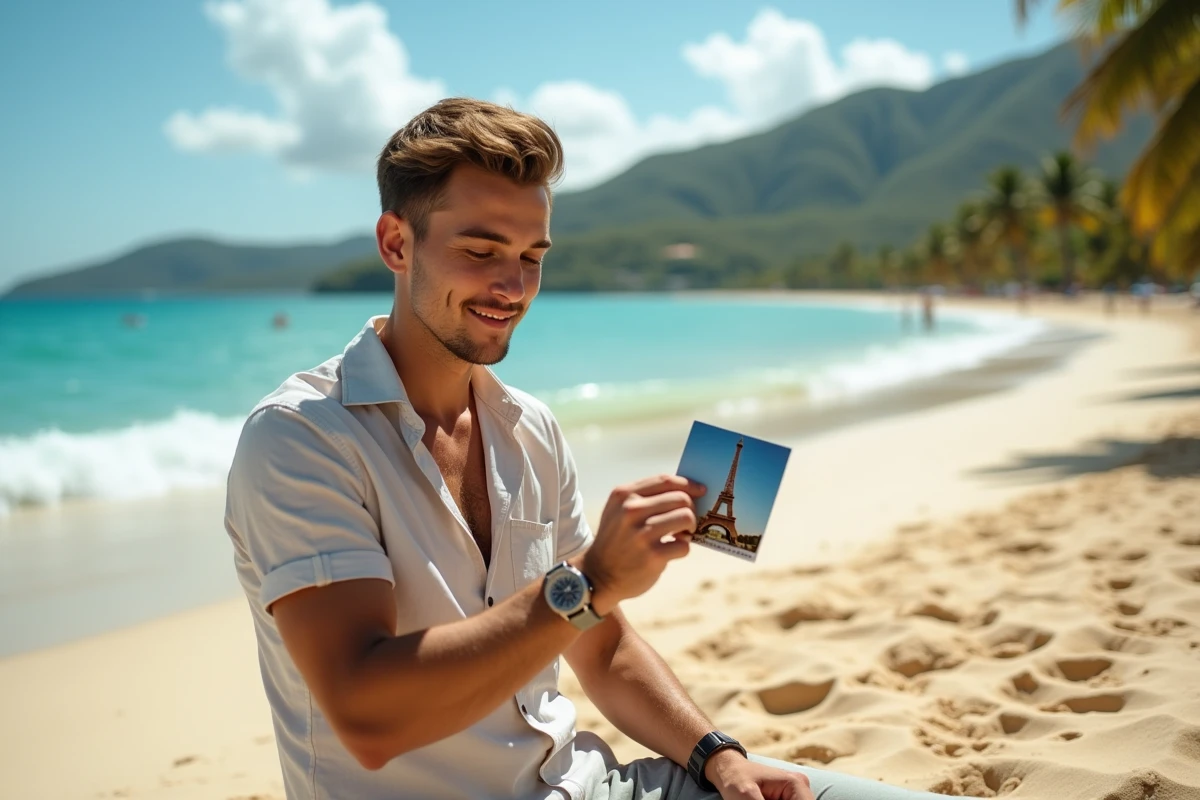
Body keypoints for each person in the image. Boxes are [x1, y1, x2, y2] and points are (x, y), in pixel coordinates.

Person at [224, 98, 974, 800]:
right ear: (396, 242)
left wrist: (718, 754)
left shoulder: (530, 428)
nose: (512, 285)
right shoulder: (300, 437)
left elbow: (599, 645)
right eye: (482, 249)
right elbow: (367, 717)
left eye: (532, 255)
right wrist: (585, 580)